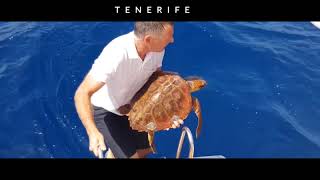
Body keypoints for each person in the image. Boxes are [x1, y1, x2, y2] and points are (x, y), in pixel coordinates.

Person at [74, 22, 184, 158]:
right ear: (148, 40)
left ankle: (115, 152)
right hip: (107, 111)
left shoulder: (158, 50)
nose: (172, 40)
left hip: (135, 106)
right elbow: (82, 93)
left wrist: (169, 113)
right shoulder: (116, 54)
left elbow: (155, 79)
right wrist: (92, 132)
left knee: (146, 150)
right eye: (168, 37)